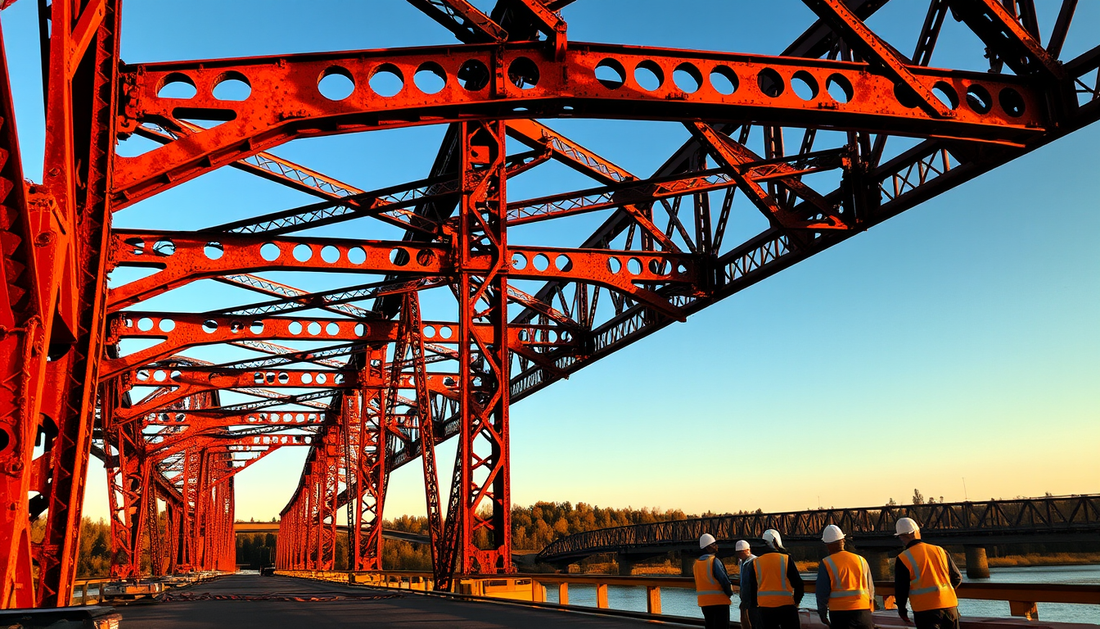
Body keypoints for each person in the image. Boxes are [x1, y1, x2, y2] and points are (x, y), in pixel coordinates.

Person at [893, 517, 962, 629]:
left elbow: (901, 589)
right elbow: (957, 577)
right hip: (950, 607)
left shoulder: (903, 558)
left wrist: (902, 610)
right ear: (917, 532)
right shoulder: (940, 550)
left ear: (901, 537)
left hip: (925, 611)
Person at [740, 529, 804, 629]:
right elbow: (799, 584)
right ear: (776, 541)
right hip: (786, 606)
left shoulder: (755, 563)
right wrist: (796, 602)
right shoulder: (786, 559)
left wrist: (753, 606)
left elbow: (752, 588)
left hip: (765, 609)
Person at [815, 524, 874, 629]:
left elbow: (822, 592)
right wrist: (870, 608)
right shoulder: (861, 560)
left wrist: (822, 613)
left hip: (840, 614)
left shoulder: (826, 563)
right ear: (843, 540)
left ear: (827, 544)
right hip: (863, 611)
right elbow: (870, 588)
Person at [693, 533, 733, 629]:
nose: (716, 546)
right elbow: (724, 580)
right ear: (708, 548)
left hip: (704, 602)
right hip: (719, 601)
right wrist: (729, 593)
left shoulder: (696, 564)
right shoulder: (714, 561)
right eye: (714, 544)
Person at [735, 540, 761, 629]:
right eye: (738, 553)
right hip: (746, 600)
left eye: (740, 553)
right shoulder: (742, 562)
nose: (739, 555)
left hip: (754, 601)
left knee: (755, 624)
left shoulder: (755, 562)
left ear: (747, 550)